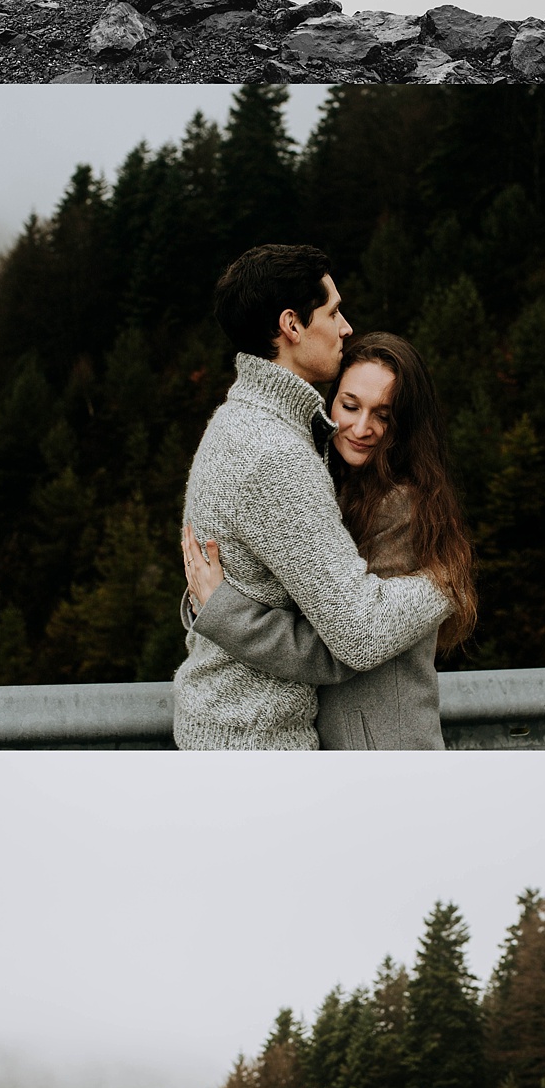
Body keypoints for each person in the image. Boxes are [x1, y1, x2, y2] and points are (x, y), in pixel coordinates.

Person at [172, 249, 447, 752]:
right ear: (292, 325)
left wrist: (218, 611)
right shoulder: (275, 455)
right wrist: (444, 585)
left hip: (232, 733)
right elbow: (358, 634)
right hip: (258, 748)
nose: (346, 328)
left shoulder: (239, 422)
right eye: (333, 312)